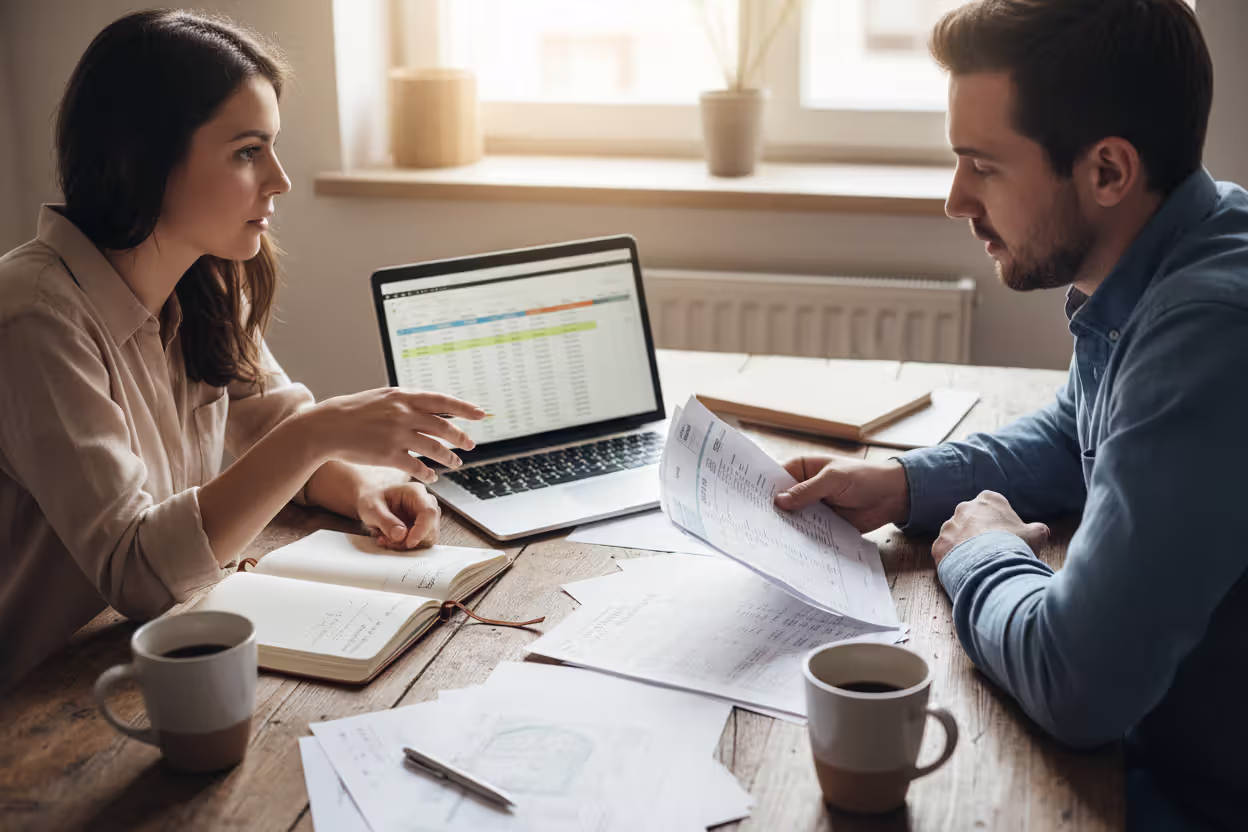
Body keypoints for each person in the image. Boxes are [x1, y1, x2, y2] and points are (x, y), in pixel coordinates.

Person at [774, 1, 1247, 828]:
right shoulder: (1184, 246)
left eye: (982, 166)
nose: (955, 199)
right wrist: (900, 484)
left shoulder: (1207, 335)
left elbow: (1079, 685)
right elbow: (1077, 435)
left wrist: (981, 553)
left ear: (1107, 171)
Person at [0, 10, 484, 692]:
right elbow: (138, 571)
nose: (280, 179)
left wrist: (368, 487)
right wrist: (322, 431)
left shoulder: (201, 276)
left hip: (159, 656)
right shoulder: (33, 317)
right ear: (143, 161)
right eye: (247, 151)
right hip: (41, 703)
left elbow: (276, 433)